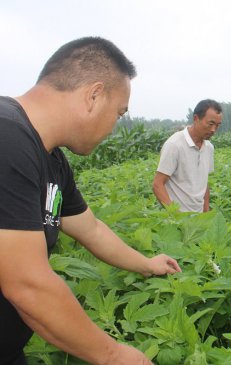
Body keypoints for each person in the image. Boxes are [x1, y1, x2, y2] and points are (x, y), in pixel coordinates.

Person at [0, 37, 182, 365]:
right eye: (119, 113)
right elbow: (26, 284)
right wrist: (114, 355)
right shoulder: (7, 138)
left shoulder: (51, 158)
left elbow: (91, 229)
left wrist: (147, 263)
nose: (115, 127)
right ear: (94, 95)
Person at [153, 99, 222, 213]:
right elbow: (158, 185)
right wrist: (176, 216)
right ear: (196, 118)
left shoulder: (209, 147)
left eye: (217, 125)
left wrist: (206, 214)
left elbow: (204, 184)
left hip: (199, 219)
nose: (213, 130)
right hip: (179, 219)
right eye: (210, 124)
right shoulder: (175, 145)